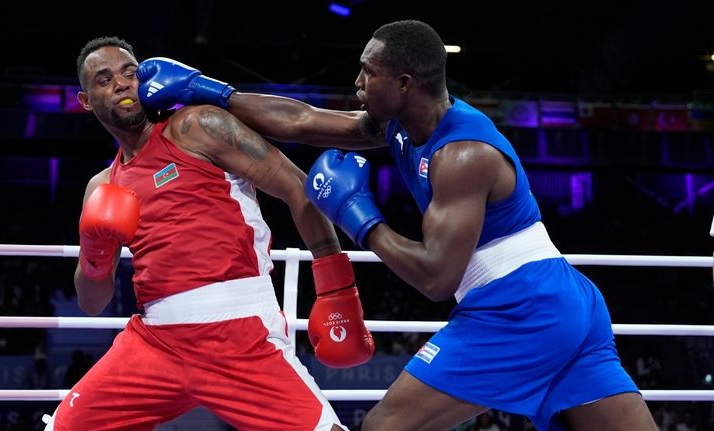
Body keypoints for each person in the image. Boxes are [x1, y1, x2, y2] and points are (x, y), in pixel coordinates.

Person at [136, 19, 659, 431]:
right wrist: (210, 91)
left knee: (387, 425)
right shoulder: (404, 126)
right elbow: (301, 121)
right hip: (559, 301)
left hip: (521, 307)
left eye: (368, 73)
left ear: (404, 83)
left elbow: (435, 278)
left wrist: (357, 215)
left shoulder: (463, 154)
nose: (357, 82)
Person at [41, 36, 376, 431]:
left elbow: (299, 191)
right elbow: (93, 302)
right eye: (104, 79)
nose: (121, 84)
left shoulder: (196, 127)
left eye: (130, 73)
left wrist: (335, 288)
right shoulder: (103, 187)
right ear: (85, 100)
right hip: (155, 341)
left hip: (238, 330)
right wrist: (94, 254)